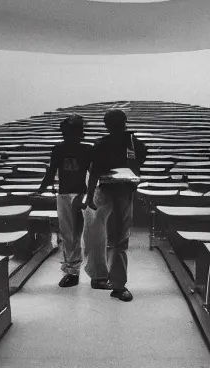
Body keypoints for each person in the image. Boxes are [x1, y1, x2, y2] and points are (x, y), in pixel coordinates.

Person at [82, 108, 147, 302]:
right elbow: (94, 170)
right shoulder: (103, 144)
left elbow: (138, 163)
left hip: (118, 191)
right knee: (107, 236)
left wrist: (89, 195)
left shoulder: (132, 143)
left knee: (107, 236)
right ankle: (109, 282)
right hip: (108, 190)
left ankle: (108, 280)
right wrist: (90, 195)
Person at [35, 114, 98, 288]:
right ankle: (72, 269)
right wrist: (41, 189)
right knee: (70, 234)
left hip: (79, 193)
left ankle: (81, 271)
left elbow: (94, 173)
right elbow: (51, 171)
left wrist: (89, 195)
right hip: (68, 194)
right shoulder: (61, 149)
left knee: (77, 234)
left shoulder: (85, 149)